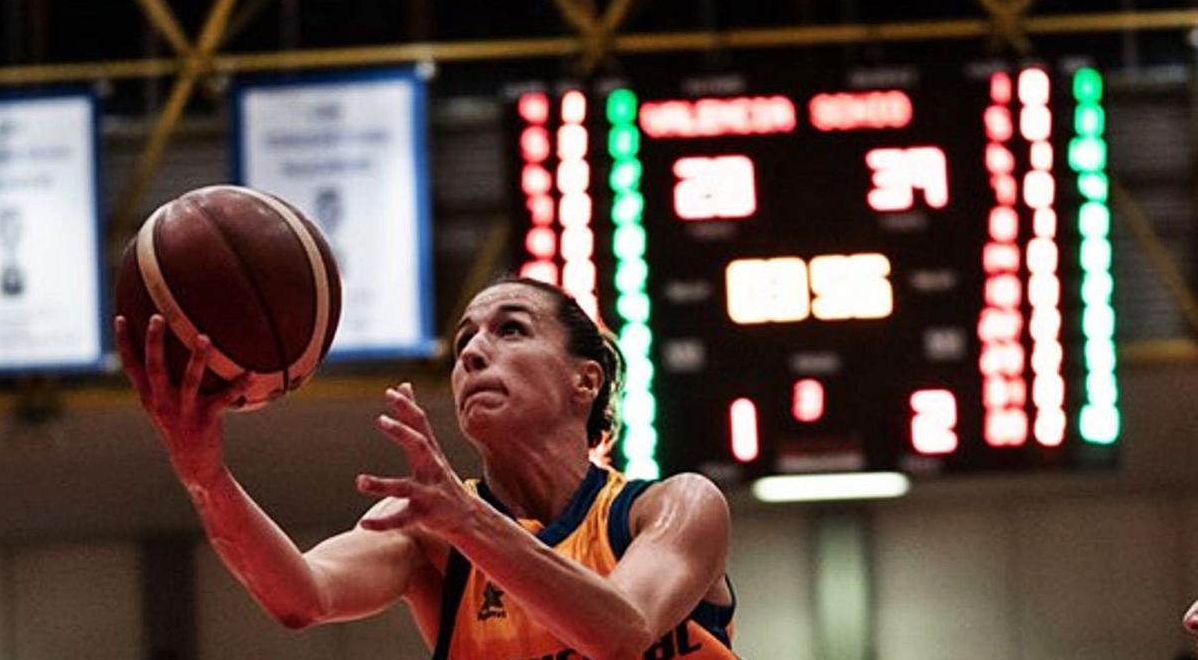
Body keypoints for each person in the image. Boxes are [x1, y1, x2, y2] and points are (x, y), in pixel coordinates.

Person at [115, 276, 736, 659]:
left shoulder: (674, 508)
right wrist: (204, 474)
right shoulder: (431, 533)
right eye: (465, 340)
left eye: (511, 329)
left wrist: (470, 523)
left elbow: (621, 633)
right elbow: (300, 595)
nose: (473, 350)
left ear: (585, 380)